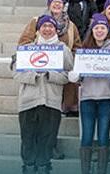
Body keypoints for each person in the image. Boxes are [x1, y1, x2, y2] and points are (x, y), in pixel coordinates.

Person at [13, 15, 74, 174]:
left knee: (47, 138)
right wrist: (34, 75)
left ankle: (43, 166)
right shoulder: (27, 49)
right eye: (44, 26)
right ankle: (28, 166)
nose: (47, 29)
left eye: (51, 26)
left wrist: (49, 75)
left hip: (51, 101)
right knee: (28, 138)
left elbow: (70, 74)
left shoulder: (63, 49)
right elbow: (16, 74)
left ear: (55, 29)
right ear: (38, 29)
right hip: (28, 100)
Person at [67, 14, 110, 174]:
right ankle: (85, 170)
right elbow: (78, 73)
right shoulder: (84, 49)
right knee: (87, 134)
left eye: (103, 28)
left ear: (107, 30)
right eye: (96, 28)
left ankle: (101, 170)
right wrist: (76, 75)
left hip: (107, 97)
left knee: (104, 134)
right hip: (87, 97)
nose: (99, 31)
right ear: (92, 31)